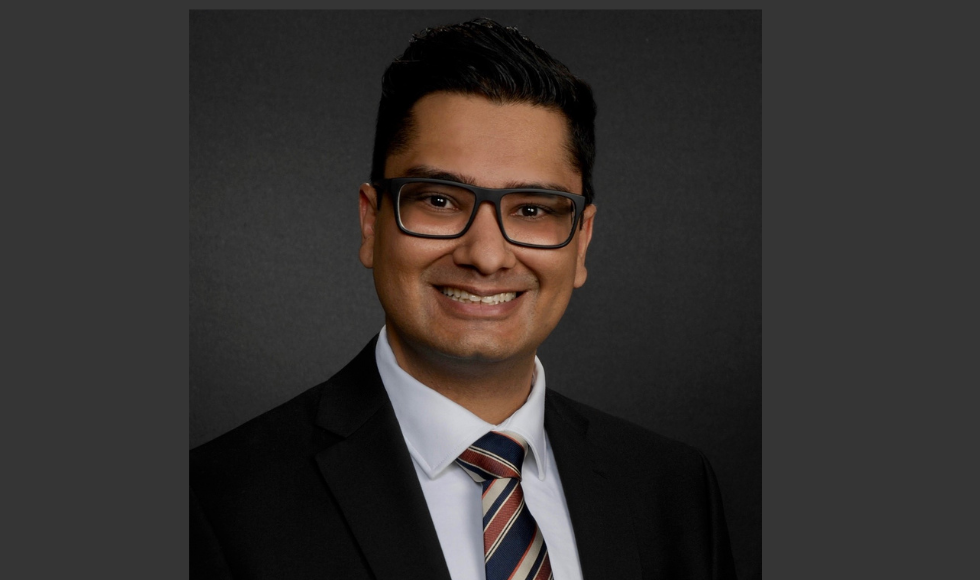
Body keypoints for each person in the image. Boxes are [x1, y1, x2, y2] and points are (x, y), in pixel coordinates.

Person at [191, 17, 737, 580]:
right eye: (439, 201)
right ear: (371, 224)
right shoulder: (216, 503)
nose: (487, 256)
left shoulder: (673, 488)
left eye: (532, 209)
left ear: (582, 242)